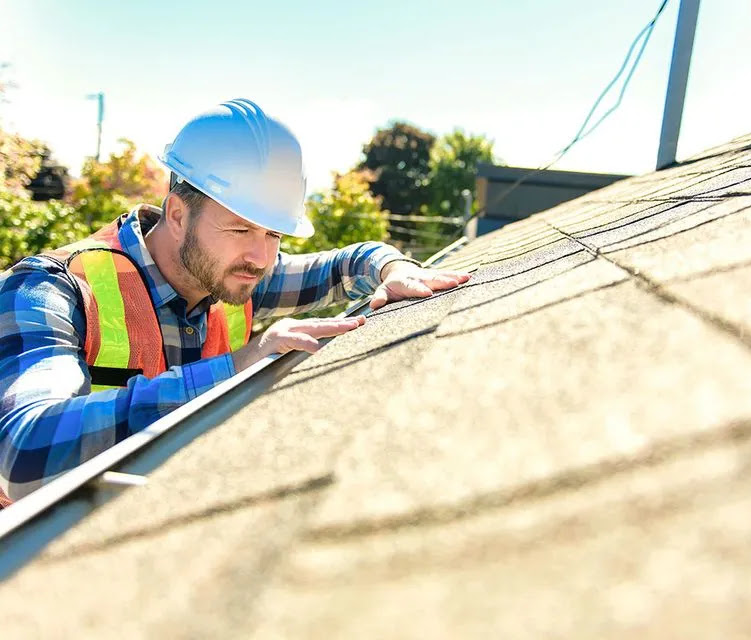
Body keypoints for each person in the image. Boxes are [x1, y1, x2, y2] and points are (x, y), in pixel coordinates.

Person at [0, 98, 469, 505]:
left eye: (274, 234)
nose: (261, 257)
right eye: (241, 228)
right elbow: (23, 454)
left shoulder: (235, 275)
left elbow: (348, 264)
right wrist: (237, 370)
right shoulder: (50, 290)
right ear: (178, 215)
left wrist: (394, 269)